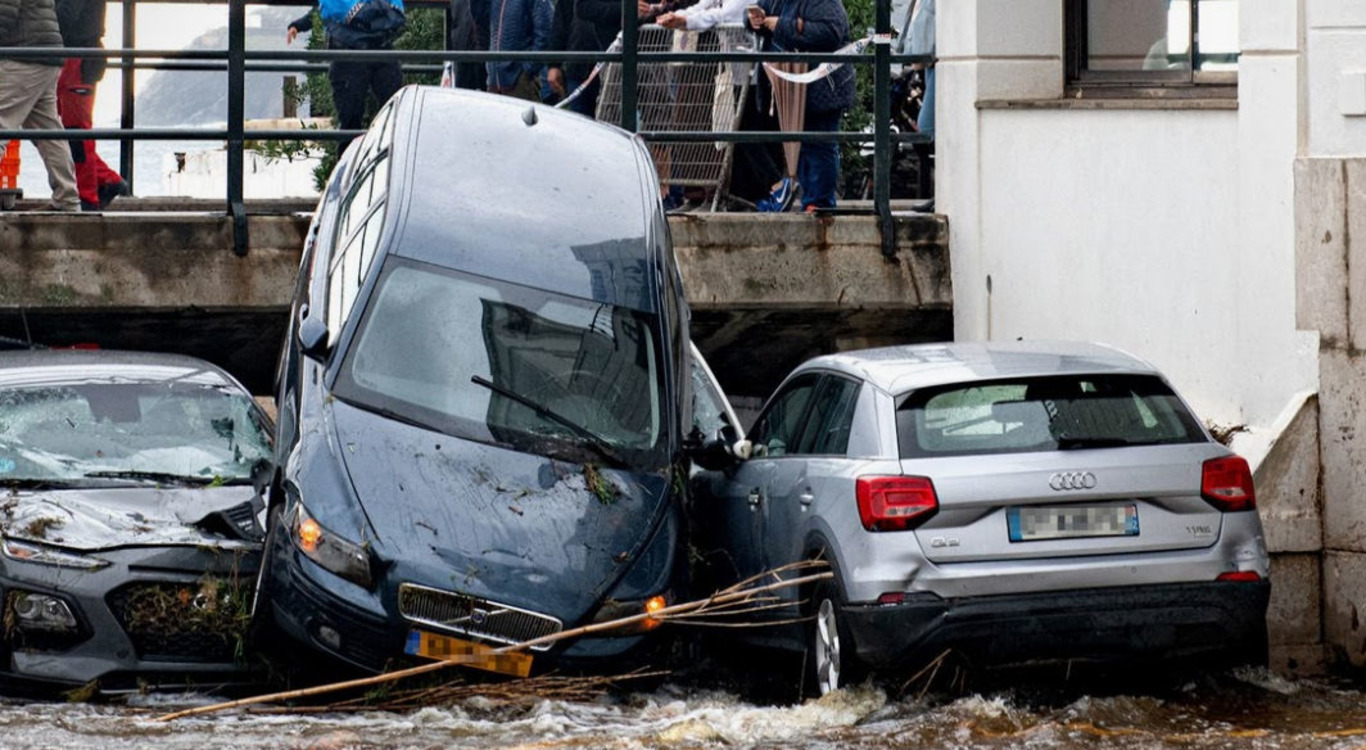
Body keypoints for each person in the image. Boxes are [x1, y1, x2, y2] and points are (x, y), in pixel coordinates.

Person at [747, 0, 854, 212]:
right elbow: (761, 15)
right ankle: (813, 202)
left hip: (821, 83)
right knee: (806, 145)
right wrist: (754, 21)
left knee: (819, 144)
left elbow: (830, 32)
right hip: (795, 83)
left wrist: (781, 25)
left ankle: (819, 204)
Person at [287, 0, 406, 154]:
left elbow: (394, 16)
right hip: (351, 53)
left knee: (395, 112)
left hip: (374, 50)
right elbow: (343, 11)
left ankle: (390, 166)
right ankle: (350, 171)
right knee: (351, 122)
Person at [0, 0, 81, 211]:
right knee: (49, 132)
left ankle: (67, 199)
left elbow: (5, 10)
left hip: (23, 55)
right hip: (45, 53)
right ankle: (67, 199)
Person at [54, 0, 128, 212]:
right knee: (63, 129)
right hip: (77, 56)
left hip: (77, 57)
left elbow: (65, 16)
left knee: (74, 131)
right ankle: (104, 179)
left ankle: (88, 195)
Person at [486, 0, 553, 102]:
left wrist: (528, 70)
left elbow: (546, 31)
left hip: (520, 81)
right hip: (494, 82)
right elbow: (481, 23)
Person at [905, 0, 933, 212]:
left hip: (932, 64)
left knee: (928, 127)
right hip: (931, 65)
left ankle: (939, 193)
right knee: (930, 129)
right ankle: (939, 193)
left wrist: (916, 59)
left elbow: (925, 23)